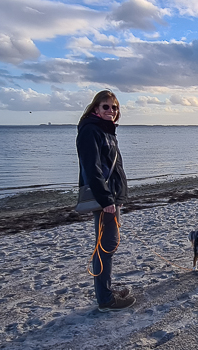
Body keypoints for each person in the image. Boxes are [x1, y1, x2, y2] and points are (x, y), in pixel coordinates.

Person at [76, 90, 135, 312]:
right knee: (106, 246)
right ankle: (105, 300)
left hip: (112, 197)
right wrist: (106, 199)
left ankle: (105, 291)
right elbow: (92, 170)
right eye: (106, 107)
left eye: (114, 107)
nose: (111, 111)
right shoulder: (90, 130)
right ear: (95, 109)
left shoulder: (106, 131)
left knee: (107, 245)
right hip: (105, 199)